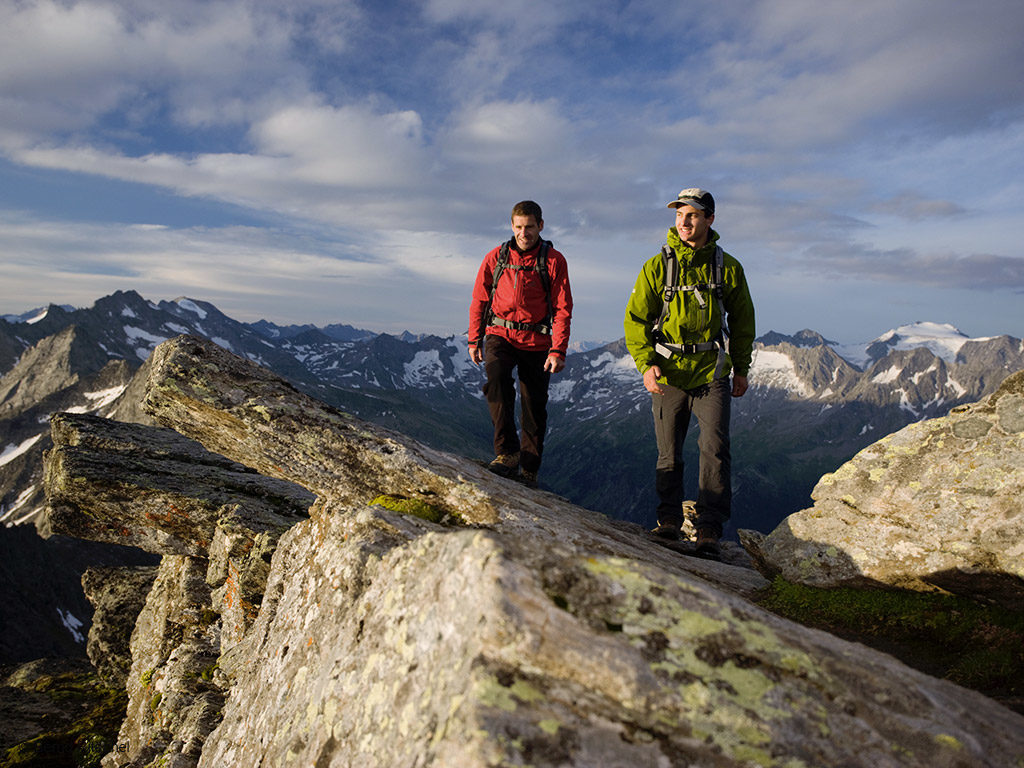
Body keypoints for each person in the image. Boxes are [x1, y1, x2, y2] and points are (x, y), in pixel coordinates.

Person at [623, 188, 754, 557]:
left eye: (693, 214)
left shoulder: (728, 267)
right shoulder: (656, 266)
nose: (684, 220)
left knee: (714, 449)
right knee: (669, 452)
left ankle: (709, 529)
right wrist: (645, 363)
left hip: (711, 371)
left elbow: (743, 321)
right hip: (668, 372)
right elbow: (635, 320)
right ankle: (668, 523)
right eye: (680, 214)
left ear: (710, 219)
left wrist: (741, 369)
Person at [469, 200, 573, 487]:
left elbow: (563, 307)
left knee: (534, 406)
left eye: (529, 227)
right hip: (500, 334)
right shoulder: (496, 257)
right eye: (518, 227)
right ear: (511, 225)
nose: (523, 233)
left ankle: (529, 470)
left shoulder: (553, 260)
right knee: (497, 381)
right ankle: (507, 454)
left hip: (537, 341)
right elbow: (479, 299)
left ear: (540, 225)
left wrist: (558, 349)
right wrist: (474, 338)